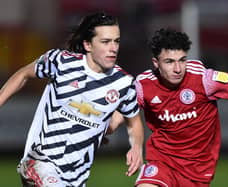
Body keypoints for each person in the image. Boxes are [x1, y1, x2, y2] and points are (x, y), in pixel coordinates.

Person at [109, 28, 228, 187]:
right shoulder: (143, 84)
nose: (177, 69)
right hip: (162, 162)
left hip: (197, 170)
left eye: (182, 60)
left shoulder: (204, 80)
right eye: (169, 61)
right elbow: (121, 114)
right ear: (156, 63)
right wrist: (101, 129)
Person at [0, 12, 144, 187]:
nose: (113, 48)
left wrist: (136, 147)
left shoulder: (124, 83)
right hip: (41, 163)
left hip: (76, 177)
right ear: (88, 44)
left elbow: (133, 121)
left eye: (117, 41)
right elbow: (23, 74)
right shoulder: (61, 62)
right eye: (105, 42)